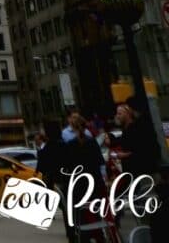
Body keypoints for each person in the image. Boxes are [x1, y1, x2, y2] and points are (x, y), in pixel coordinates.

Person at [59, 114, 109, 243]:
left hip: (79, 184)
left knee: (81, 213)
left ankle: (85, 236)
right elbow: (100, 161)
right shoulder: (91, 141)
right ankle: (99, 236)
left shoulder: (70, 144)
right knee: (96, 210)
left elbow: (68, 166)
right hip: (95, 181)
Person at [114, 101, 160, 178]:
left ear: (127, 114)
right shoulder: (125, 129)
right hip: (134, 172)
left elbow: (142, 150)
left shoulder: (136, 129)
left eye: (119, 114)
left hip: (142, 171)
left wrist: (124, 155)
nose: (117, 116)